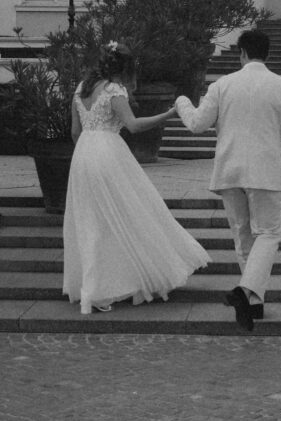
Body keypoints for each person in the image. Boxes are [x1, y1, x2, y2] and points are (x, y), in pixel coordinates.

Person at [174, 28, 281, 331]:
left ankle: (252, 304)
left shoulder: (222, 85)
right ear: (267, 54)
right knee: (270, 233)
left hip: (229, 169)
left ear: (242, 54)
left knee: (242, 235)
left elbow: (196, 124)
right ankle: (246, 292)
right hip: (266, 170)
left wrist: (182, 101)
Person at [63, 43, 209, 315]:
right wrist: (167, 114)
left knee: (90, 220)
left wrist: (86, 149)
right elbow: (133, 125)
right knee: (130, 211)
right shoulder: (114, 90)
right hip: (108, 153)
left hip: (83, 154)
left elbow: (74, 130)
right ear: (125, 69)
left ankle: (93, 286)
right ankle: (121, 280)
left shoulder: (81, 87)